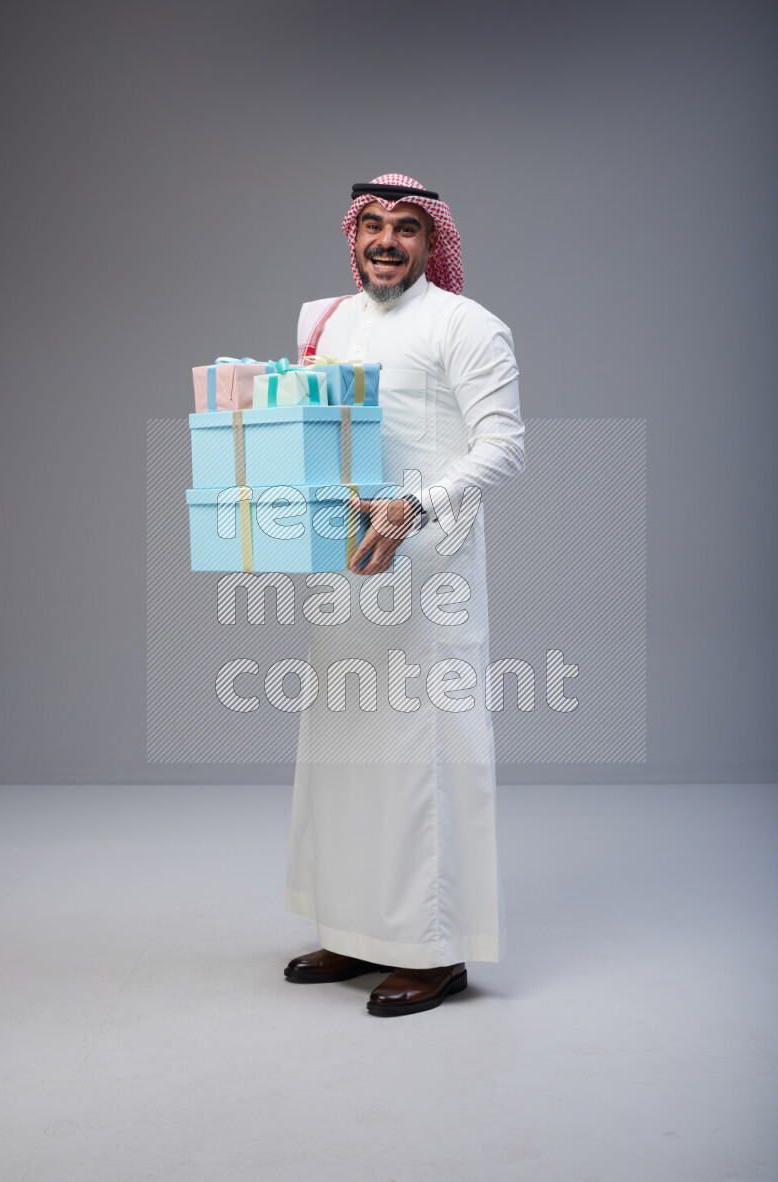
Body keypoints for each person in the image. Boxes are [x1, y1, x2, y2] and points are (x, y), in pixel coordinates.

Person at [283, 173, 525, 1017]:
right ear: (353, 236)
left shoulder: (466, 325)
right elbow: (305, 430)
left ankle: (433, 950)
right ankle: (354, 931)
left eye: (408, 228)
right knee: (346, 750)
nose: (387, 241)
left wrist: (416, 504)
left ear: (433, 242)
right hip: (343, 568)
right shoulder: (325, 320)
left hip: (429, 569)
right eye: (373, 225)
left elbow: (505, 445)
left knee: (424, 756)